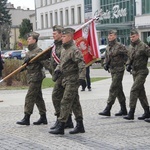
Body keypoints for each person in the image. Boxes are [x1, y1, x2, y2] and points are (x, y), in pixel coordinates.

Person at [49, 27, 86, 135]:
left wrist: (82, 78)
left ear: (70, 37)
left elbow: (81, 64)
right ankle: (80, 125)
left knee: (66, 101)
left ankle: (61, 125)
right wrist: (56, 71)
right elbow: (61, 63)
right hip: (64, 78)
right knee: (74, 102)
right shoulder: (65, 49)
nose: (62, 38)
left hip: (72, 80)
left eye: (64, 36)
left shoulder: (74, 50)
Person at [16, 32, 48, 125]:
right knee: (38, 97)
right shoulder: (29, 51)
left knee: (30, 96)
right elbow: (28, 64)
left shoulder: (38, 51)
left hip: (36, 76)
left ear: (34, 40)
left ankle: (26, 117)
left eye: (29, 39)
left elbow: (43, 61)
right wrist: (22, 68)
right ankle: (43, 117)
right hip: (31, 76)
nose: (28, 40)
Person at [47, 25, 74, 129]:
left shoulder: (64, 46)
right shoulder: (54, 47)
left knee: (64, 99)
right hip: (59, 76)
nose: (53, 35)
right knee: (58, 98)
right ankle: (62, 119)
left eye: (55, 33)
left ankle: (65, 120)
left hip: (66, 75)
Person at [99, 29, 128, 117]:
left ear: (115, 36)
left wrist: (127, 63)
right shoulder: (108, 47)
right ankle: (124, 109)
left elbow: (127, 55)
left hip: (119, 70)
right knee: (118, 90)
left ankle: (108, 108)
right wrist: (105, 64)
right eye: (109, 35)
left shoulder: (120, 46)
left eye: (111, 35)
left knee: (113, 88)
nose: (109, 37)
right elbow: (106, 57)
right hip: (112, 70)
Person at [124, 29, 150, 120]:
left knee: (134, 90)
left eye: (133, 36)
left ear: (138, 36)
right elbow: (129, 58)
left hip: (142, 71)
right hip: (134, 72)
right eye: (131, 37)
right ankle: (147, 111)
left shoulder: (143, 46)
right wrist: (128, 65)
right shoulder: (131, 47)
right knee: (140, 92)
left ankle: (131, 112)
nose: (132, 38)